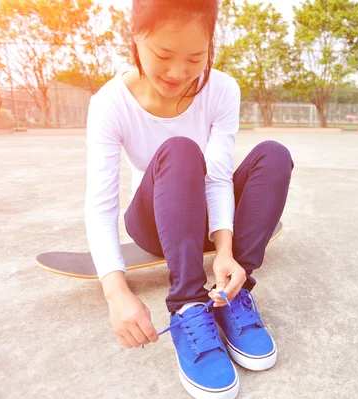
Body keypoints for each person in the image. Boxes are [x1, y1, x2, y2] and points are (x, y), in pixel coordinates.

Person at [84, 0, 293, 397]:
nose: (178, 72)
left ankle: (234, 293)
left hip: (209, 222)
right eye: (163, 54)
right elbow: (101, 203)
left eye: (196, 57)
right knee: (181, 150)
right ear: (136, 36)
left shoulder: (222, 90)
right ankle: (187, 306)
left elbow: (216, 179)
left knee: (273, 155)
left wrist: (226, 252)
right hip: (155, 222)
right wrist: (117, 292)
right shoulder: (110, 103)